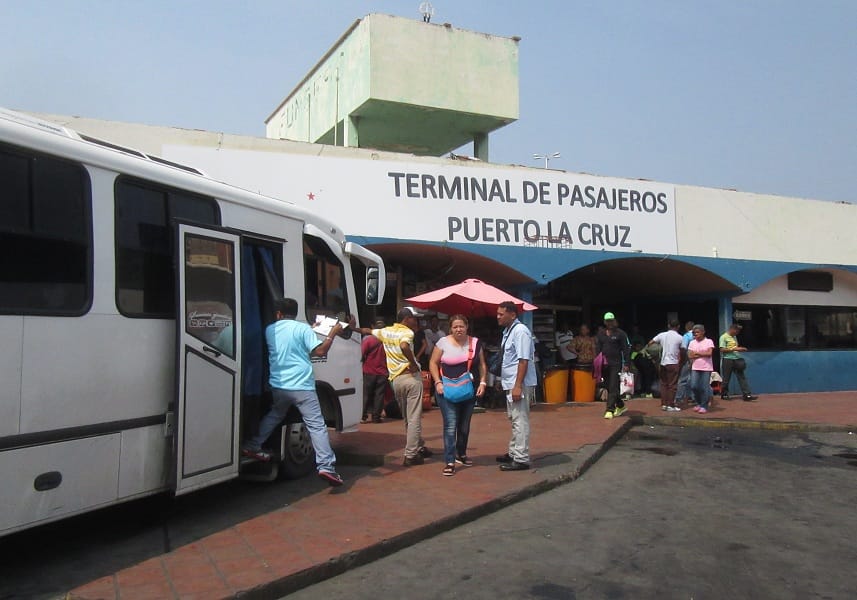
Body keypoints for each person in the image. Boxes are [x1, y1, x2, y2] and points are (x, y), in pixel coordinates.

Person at [241, 297, 345, 487]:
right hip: (302, 387)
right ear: (296, 313)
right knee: (316, 425)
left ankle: (253, 445)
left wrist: (311, 329)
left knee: (275, 414)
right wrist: (332, 333)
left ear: (278, 313)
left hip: (279, 386)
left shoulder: (269, 329)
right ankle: (326, 466)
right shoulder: (302, 329)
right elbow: (320, 352)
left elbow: (289, 339)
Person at [356, 307, 432, 466]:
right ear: (406, 319)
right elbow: (404, 346)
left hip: (396, 380)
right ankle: (411, 454)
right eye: (413, 318)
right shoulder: (407, 333)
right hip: (410, 377)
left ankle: (418, 445)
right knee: (414, 418)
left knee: (407, 417)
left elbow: (367, 331)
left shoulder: (386, 331)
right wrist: (413, 363)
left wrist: (351, 328)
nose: (415, 322)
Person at [429, 314, 488, 476]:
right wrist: (437, 382)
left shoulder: (475, 343)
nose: (458, 329)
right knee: (450, 425)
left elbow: (482, 365)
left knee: (464, 426)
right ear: (450, 328)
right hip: (445, 391)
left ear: (467, 326)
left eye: (461, 326)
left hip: (468, 390)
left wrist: (483, 382)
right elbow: (433, 363)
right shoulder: (443, 343)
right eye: (455, 327)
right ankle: (449, 460)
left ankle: (461, 453)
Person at [494, 301, 537, 471]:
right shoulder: (508, 331)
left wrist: (517, 385)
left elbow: (523, 360)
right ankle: (514, 452)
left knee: (520, 419)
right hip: (510, 382)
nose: (498, 317)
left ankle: (521, 458)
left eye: (501, 314)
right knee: (514, 418)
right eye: (497, 314)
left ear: (512, 314)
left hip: (518, 383)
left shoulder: (520, 332)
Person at [595, 312, 631, 419]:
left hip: (616, 363)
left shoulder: (621, 334)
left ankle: (609, 409)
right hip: (604, 364)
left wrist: (627, 363)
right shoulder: (601, 334)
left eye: (611, 320)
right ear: (605, 322)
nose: (610, 323)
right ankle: (620, 405)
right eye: (608, 321)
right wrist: (597, 362)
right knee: (607, 386)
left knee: (613, 385)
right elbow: (598, 349)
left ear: (614, 321)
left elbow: (626, 349)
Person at [649, 319, 683, 411]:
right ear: (678, 326)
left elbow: (650, 343)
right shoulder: (680, 337)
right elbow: (683, 350)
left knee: (663, 384)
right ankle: (671, 405)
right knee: (672, 385)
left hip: (663, 363)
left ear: (668, 326)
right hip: (673, 362)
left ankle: (664, 404)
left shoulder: (662, 335)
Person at [719, 323, 758, 401]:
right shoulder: (723, 337)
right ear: (732, 329)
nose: (738, 332)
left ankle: (747, 394)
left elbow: (735, 347)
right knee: (726, 378)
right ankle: (724, 393)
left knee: (741, 377)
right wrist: (735, 349)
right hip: (727, 359)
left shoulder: (734, 337)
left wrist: (740, 348)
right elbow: (722, 349)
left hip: (737, 359)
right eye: (737, 331)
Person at [361, 318, 389, 423]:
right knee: (379, 395)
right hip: (383, 372)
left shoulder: (369, 340)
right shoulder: (388, 341)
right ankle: (376, 417)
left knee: (366, 394)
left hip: (369, 371)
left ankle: (363, 416)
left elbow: (361, 353)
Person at [687, 324, 715, 414]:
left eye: (698, 332)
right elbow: (690, 355)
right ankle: (698, 403)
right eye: (694, 333)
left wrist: (697, 354)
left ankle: (704, 405)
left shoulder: (709, 341)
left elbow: (709, 353)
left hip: (706, 368)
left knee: (704, 387)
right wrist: (702, 353)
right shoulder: (692, 342)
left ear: (703, 332)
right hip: (695, 367)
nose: (696, 334)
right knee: (694, 386)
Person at [674, 321, 695, 405]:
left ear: (686, 328)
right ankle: (693, 397)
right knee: (693, 379)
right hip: (697, 360)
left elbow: (684, 349)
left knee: (683, 379)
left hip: (687, 360)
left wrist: (682, 360)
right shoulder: (697, 336)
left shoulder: (686, 336)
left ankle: (678, 398)